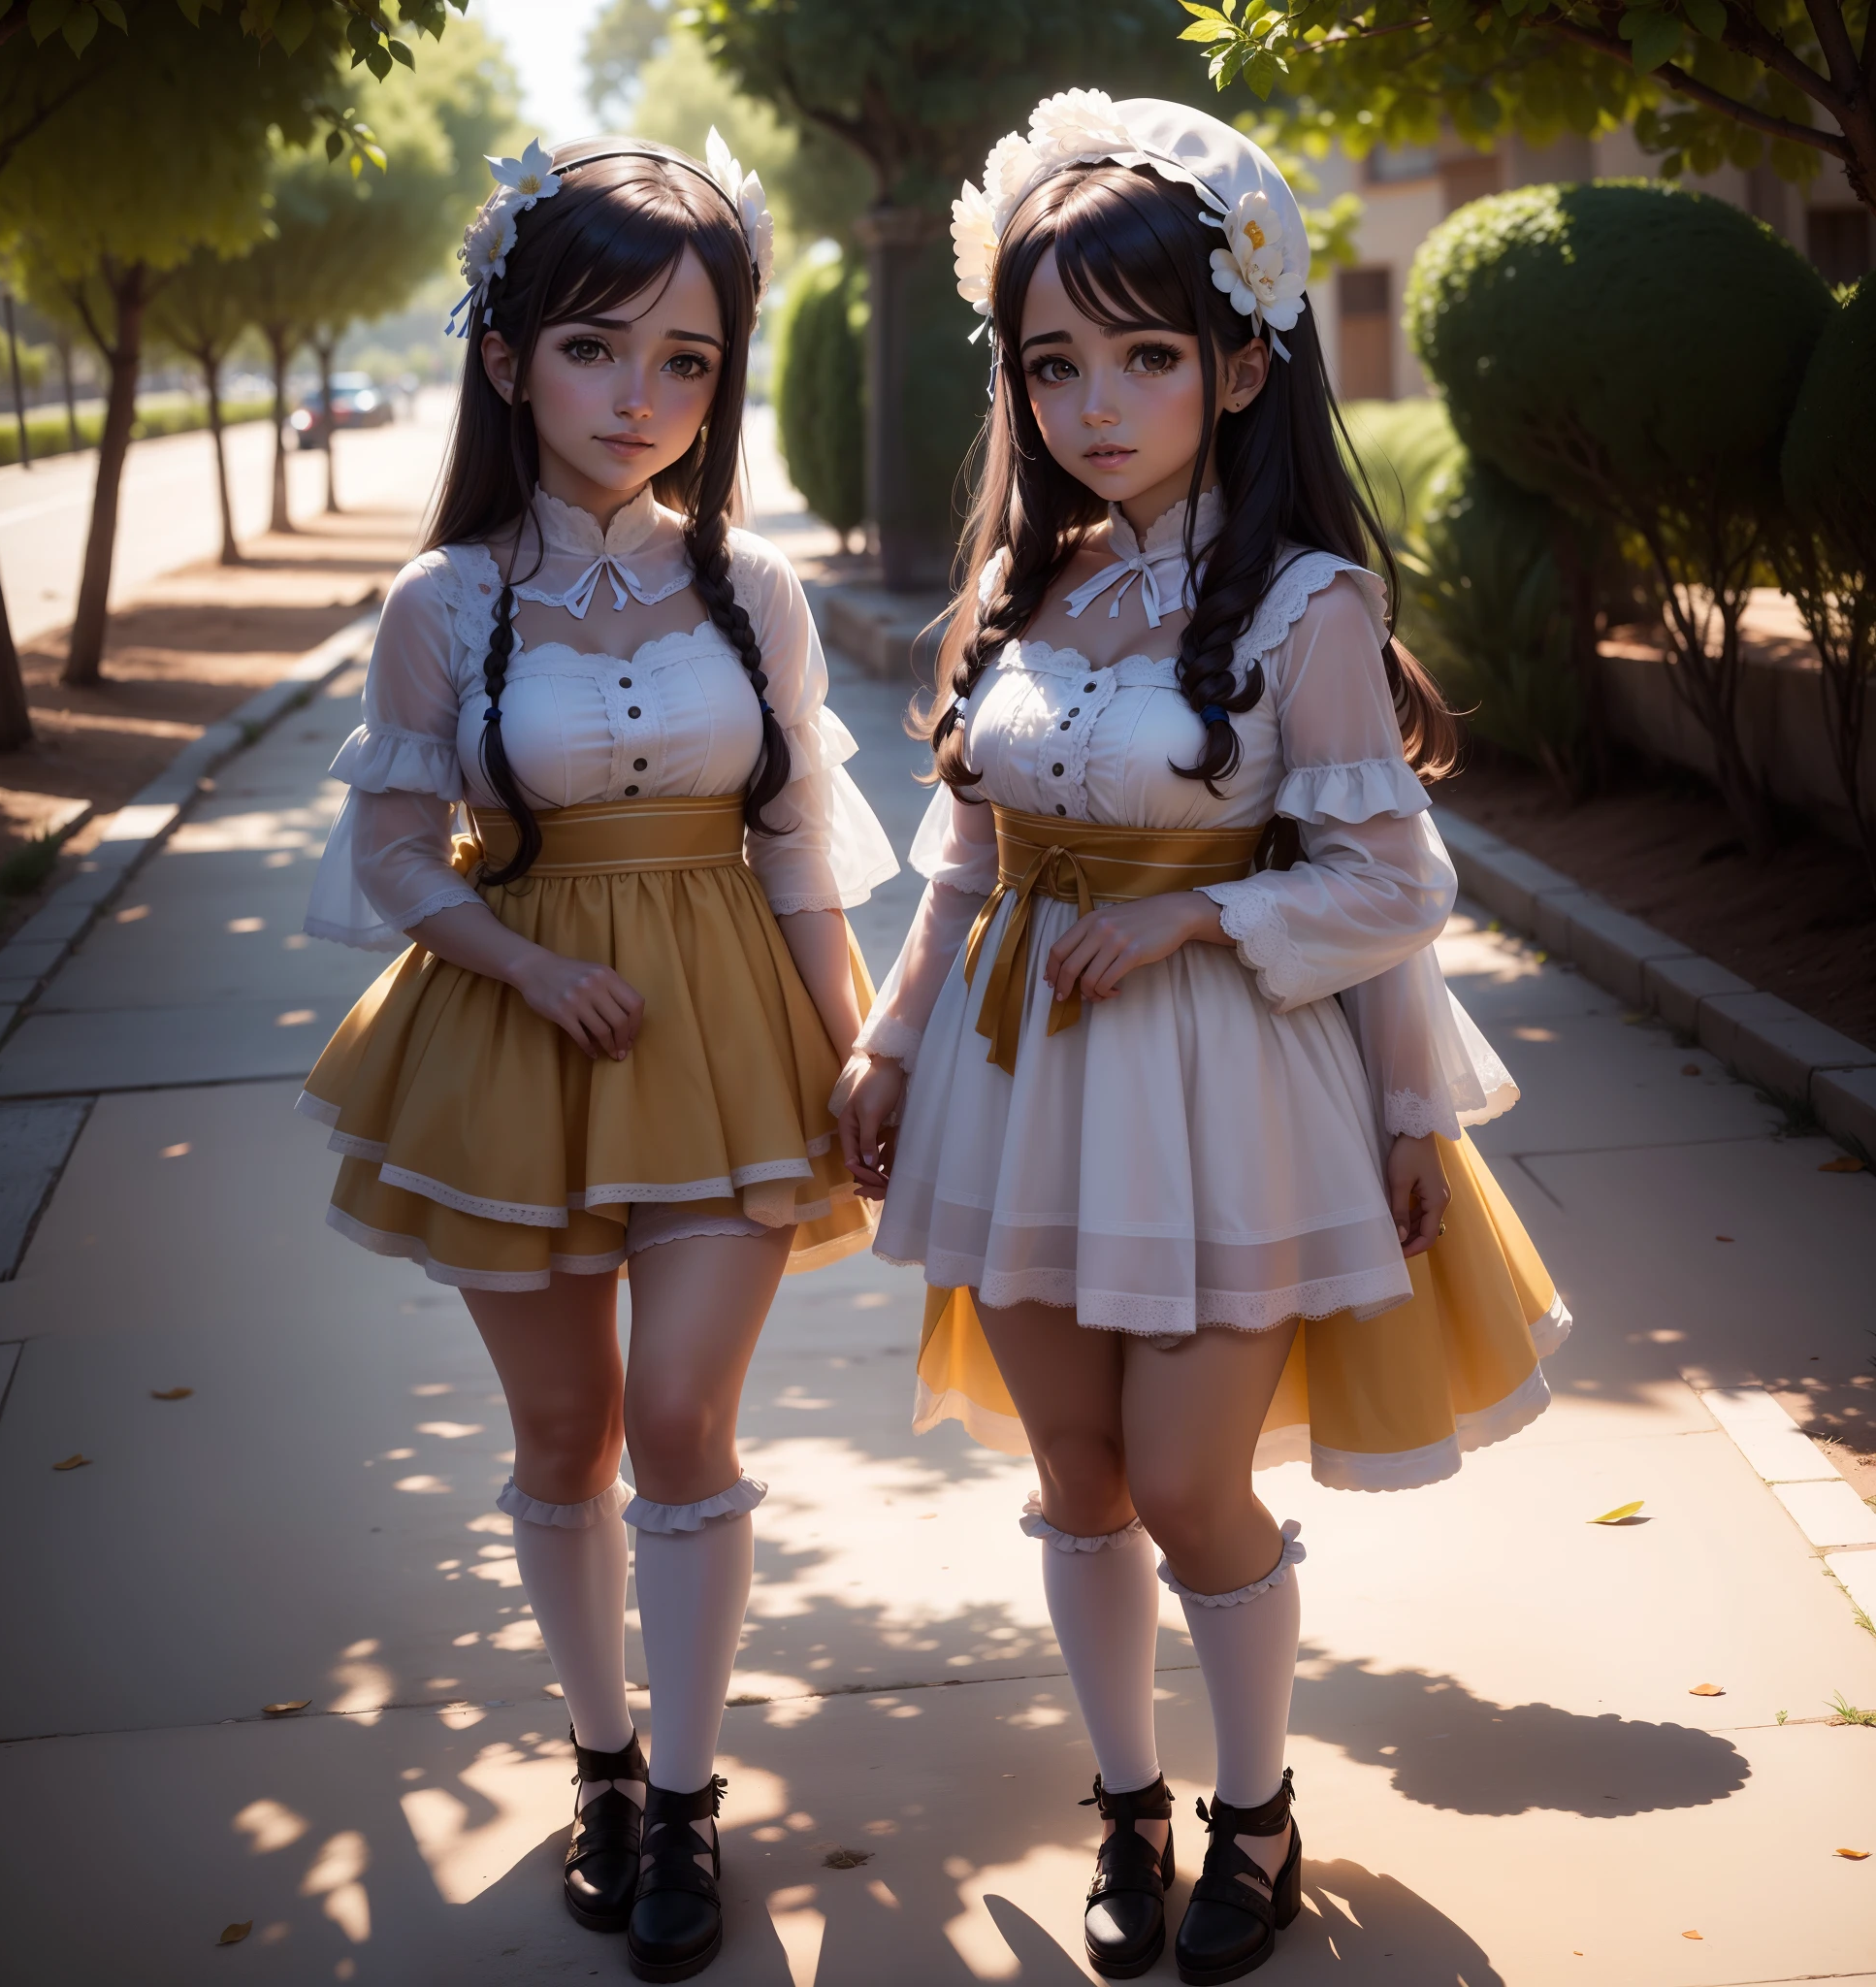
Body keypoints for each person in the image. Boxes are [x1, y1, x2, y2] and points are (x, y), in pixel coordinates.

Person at [836, 94, 1566, 1984]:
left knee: (1182, 1478)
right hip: (1017, 1081)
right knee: (1072, 1476)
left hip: (1227, 1079)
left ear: (1241, 365)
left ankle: (1256, 1804)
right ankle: (1128, 1804)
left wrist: (1196, 917)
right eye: (1052, 361)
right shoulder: (1027, 582)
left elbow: (1388, 879)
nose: (1094, 402)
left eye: (1143, 355)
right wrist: (896, 1044)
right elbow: (966, 856)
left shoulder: (1308, 601)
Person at [298, 132, 896, 1983]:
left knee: (677, 1419)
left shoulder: (755, 587)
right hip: (517, 1034)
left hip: (720, 1029)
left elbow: (799, 848)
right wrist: (513, 961)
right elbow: (390, 855)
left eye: (687, 359)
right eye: (593, 348)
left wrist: (865, 1055)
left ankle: (694, 1801)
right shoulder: (443, 605)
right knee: (559, 1431)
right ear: (505, 360)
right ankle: (606, 1766)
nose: (641, 397)